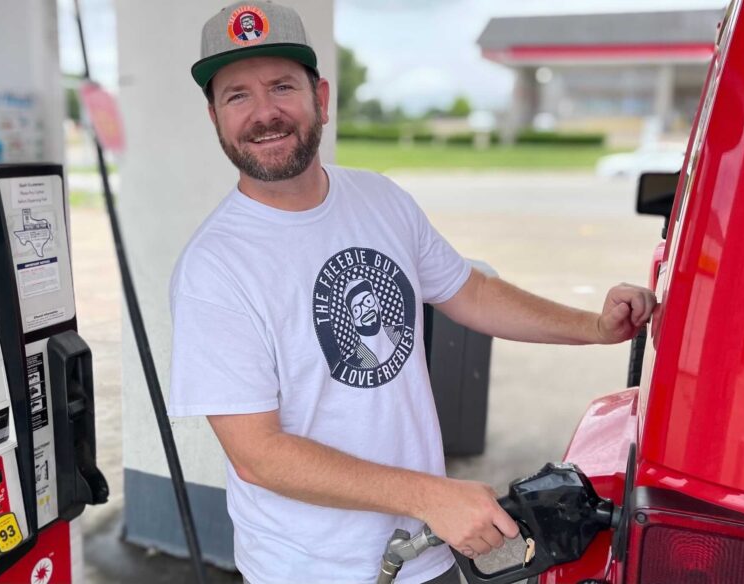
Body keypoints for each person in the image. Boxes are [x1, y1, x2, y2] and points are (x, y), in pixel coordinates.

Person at [169, 2, 657, 583]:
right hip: (309, 568)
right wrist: (432, 496)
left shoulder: (378, 199)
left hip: (427, 552)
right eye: (237, 95)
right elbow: (258, 455)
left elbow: (469, 291)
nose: (264, 113)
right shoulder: (215, 267)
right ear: (214, 116)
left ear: (320, 97)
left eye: (281, 86)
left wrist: (595, 328)